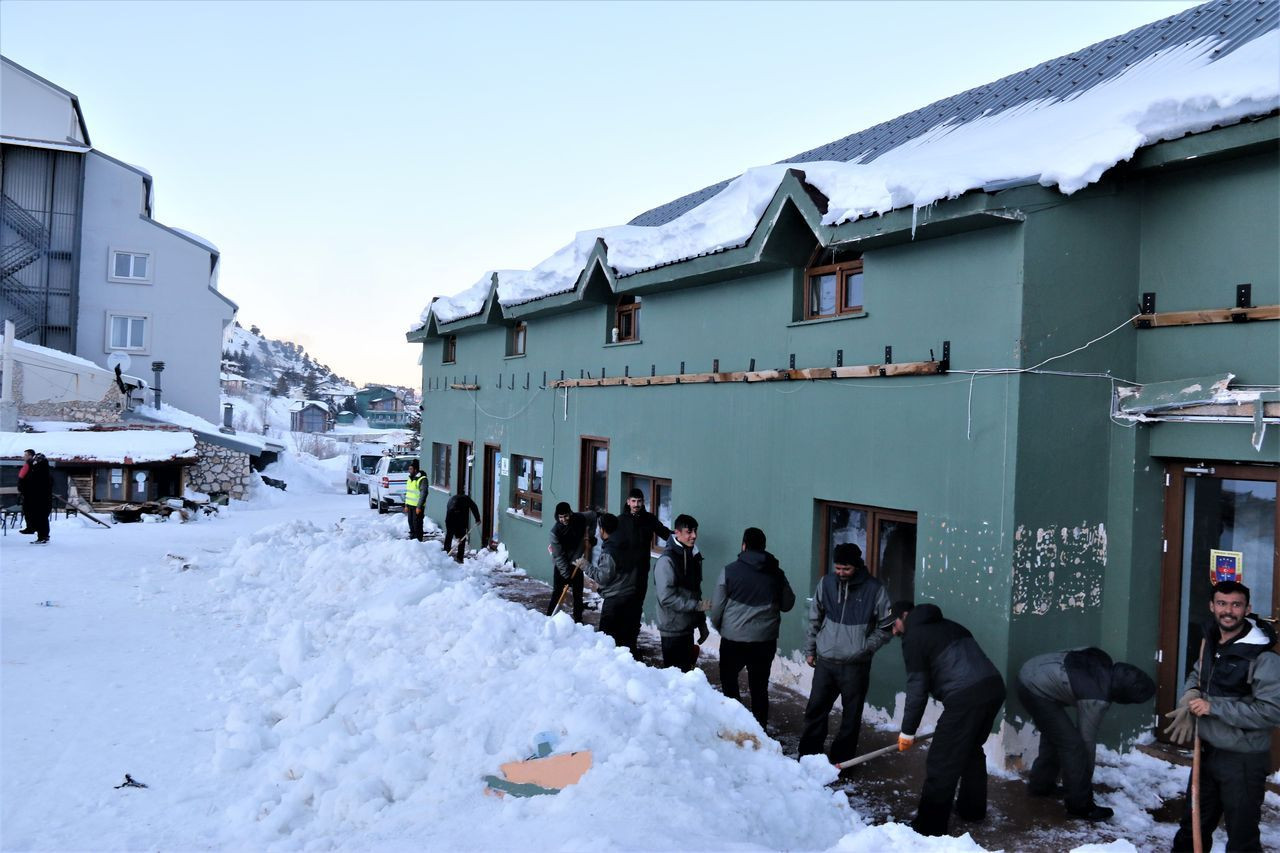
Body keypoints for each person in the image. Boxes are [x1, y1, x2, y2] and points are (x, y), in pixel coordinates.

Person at [1166, 581, 1280, 852]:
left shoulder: (1263, 657)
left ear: (1247, 609)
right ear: (1212, 606)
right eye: (1222, 603)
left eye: (1236, 604)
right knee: (1191, 829)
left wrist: (1213, 707)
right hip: (1206, 752)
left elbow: (1271, 712)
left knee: (1241, 837)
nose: (1228, 611)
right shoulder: (1210, 643)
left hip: (1243, 760)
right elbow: (1197, 676)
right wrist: (1191, 695)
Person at [893, 600, 1006, 837]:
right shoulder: (952, 626)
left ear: (903, 616)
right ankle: (971, 809)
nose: (893, 632)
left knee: (941, 761)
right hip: (994, 688)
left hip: (966, 697)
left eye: (893, 625)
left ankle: (929, 829)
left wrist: (907, 732)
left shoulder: (914, 637)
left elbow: (917, 689)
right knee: (970, 749)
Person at [1017, 647, 1155, 821]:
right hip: (1034, 688)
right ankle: (1080, 807)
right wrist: (1083, 786)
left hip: (1032, 671)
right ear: (1125, 697)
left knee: (1057, 735)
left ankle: (1041, 785)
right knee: (1073, 746)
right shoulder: (1097, 698)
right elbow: (1085, 743)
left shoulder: (1102, 660)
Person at [798, 542, 894, 764]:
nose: (840, 573)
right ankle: (809, 756)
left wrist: (865, 648)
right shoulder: (826, 583)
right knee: (815, 710)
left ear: (857, 567)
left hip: (856, 666)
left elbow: (886, 627)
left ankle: (842, 762)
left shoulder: (875, 589)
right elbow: (814, 618)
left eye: (846, 569)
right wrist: (810, 649)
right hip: (826, 661)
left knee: (850, 717)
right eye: (837, 568)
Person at [709, 527, 795, 727]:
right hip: (764, 641)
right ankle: (759, 731)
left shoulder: (729, 571)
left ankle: (734, 727)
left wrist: (722, 628)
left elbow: (716, 608)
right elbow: (788, 604)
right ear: (764, 547)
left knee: (729, 683)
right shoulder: (776, 573)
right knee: (759, 687)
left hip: (733, 640)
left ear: (743, 545)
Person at [616, 488, 672, 656]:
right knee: (624, 608)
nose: (636, 504)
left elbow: (664, 533)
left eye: (639, 501)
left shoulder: (649, 519)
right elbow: (612, 544)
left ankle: (631, 645)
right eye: (633, 501)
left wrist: (679, 538)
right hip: (624, 573)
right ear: (628, 502)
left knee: (636, 608)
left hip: (641, 572)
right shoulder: (620, 521)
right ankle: (620, 645)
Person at [653, 514, 709, 671]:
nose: (694, 536)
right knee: (675, 680)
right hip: (672, 631)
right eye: (689, 532)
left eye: (695, 531)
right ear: (677, 533)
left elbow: (695, 592)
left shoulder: (693, 555)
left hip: (687, 628)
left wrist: (701, 623)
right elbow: (666, 598)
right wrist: (696, 606)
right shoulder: (666, 561)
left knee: (687, 676)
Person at [582, 513, 635, 646]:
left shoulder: (610, 550)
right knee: (625, 641)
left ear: (603, 530)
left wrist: (585, 566)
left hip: (615, 601)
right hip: (629, 596)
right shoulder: (626, 542)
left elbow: (602, 577)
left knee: (607, 641)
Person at [546, 501, 596, 623]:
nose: (564, 519)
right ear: (557, 517)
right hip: (561, 564)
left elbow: (594, 516)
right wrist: (566, 574)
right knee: (558, 592)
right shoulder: (555, 532)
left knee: (578, 594)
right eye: (561, 517)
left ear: (570, 513)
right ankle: (548, 618)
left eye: (566, 516)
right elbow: (558, 556)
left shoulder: (580, 518)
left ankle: (578, 621)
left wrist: (590, 537)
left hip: (577, 562)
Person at [19, 451, 52, 545]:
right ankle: (41, 535)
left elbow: (35, 484)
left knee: (41, 517)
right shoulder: (40, 472)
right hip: (38, 498)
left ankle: (43, 537)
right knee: (39, 517)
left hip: (41, 499)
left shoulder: (41, 473)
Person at [442, 485, 480, 563]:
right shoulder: (451, 508)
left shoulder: (466, 500)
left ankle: (460, 558)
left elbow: (474, 507)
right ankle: (445, 555)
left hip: (461, 521)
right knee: (449, 535)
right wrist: (454, 532)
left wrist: (477, 518)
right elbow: (448, 521)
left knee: (461, 537)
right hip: (451, 520)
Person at [403, 460, 428, 541]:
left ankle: (418, 542)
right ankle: (412, 540)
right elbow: (408, 493)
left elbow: (423, 494)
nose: (409, 471)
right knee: (411, 523)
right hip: (410, 505)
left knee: (417, 525)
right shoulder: (410, 479)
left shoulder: (422, 479)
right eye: (409, 469)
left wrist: (419, 507)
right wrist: (406, 505)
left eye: (410, 469)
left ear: (415, 470)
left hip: (417, 507)